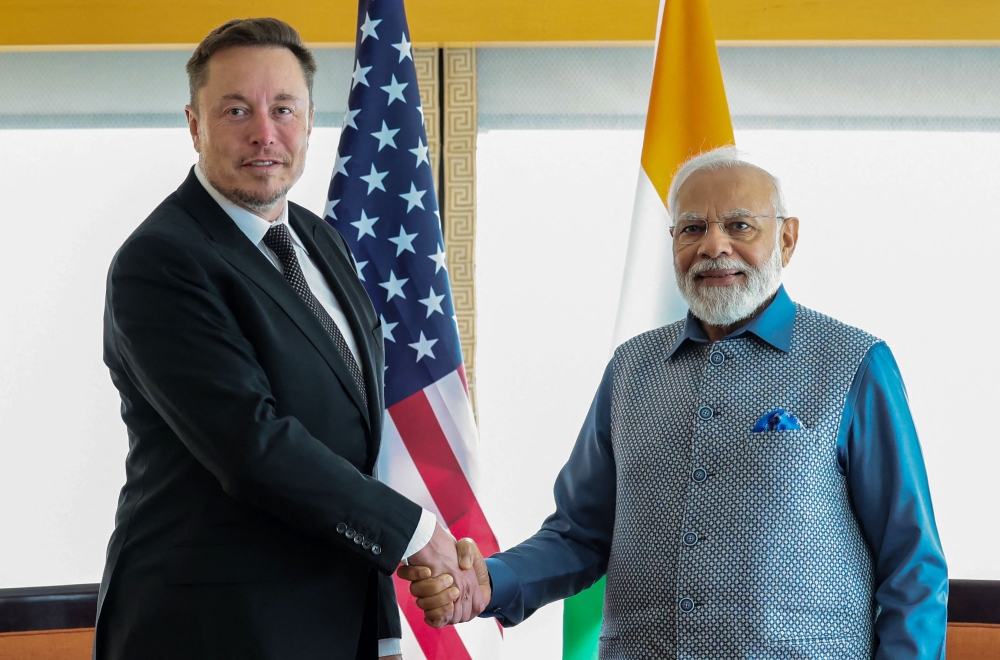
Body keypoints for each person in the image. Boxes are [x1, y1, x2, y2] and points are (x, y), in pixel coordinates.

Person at [400, 147, 949, 659]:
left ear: (787, 239)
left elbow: (912, 565)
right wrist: (491, 581)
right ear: (672, 244)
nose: (714, 246)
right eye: (692, 228)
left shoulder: (853, 362)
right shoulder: (632, 369)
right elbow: (579, 534)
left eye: (739, 225)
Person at [95, 17, 482, 660]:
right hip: (212, 630)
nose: (264, 133)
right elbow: (253, 444)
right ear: (194, 124)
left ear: (309, 121)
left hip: (333, 616)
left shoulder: (317, 237)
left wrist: (417, 547)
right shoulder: (160, 260)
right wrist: (413, 535)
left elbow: (352, 434)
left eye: (283, 109)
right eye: (237, 109)